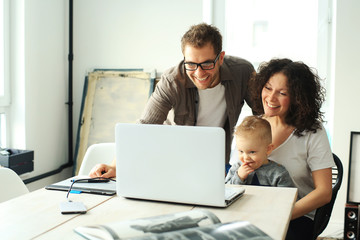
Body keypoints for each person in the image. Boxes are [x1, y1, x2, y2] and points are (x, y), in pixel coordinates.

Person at [89, 23, 255, 178]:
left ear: (220, 58)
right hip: (173, 163)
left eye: (206, 64)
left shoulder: (242, 72)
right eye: (191, 64)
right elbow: (145, 126)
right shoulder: (172, 81)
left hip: (215, 163)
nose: (199, 73)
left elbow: (263, 115)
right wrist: (116, 167)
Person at [246, 58, 334, 240]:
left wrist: (281, 215)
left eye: (282, 93)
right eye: (268, 88)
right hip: (254, 211)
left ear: (297, 98)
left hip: (297, 216)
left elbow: (324, 192)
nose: (271, 98)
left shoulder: (313, 131)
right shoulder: (252, 126)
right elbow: (234, 175)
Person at [225, 115, 294, 187]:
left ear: (268, 149)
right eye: (241, 151)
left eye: (252, 152)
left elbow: (287, 196)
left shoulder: (278, 173)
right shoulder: (236, 168)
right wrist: (239, 177)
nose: (246, 158)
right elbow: (226, 192)